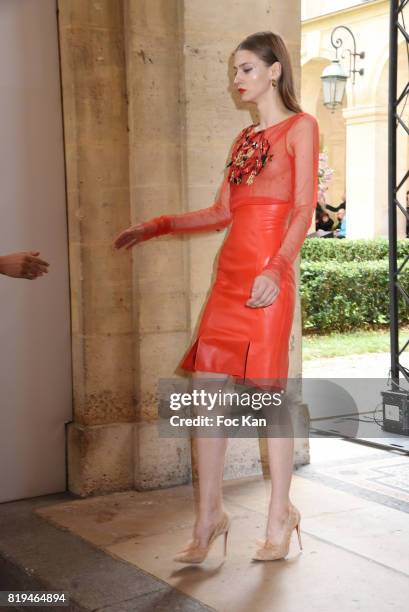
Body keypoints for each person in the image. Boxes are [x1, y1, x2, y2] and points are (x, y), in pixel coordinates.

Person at [114, 31, 319, 563]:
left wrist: (277, 267)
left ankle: (280, 514)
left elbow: (303, 210)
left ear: (275, 71)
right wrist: (156, 225)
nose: (237, 79)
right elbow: (219, 213)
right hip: (229, 280)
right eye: (235, 71)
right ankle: (210, 519)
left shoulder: (302, 127)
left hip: (268, 280)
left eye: (246, 69)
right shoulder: (242, 140)